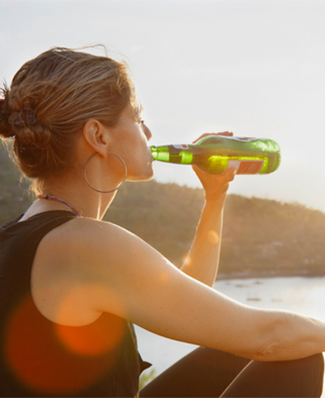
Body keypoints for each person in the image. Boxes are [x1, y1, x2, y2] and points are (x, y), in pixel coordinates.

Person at [0, 47, 324, 398]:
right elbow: (268, 338)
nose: (150, 132)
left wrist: (214, 198)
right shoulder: (83, 243)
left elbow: (192, 306)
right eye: (137, 117)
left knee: (230, 351)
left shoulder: (29, 234)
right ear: (99, 136)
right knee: (298, 358)